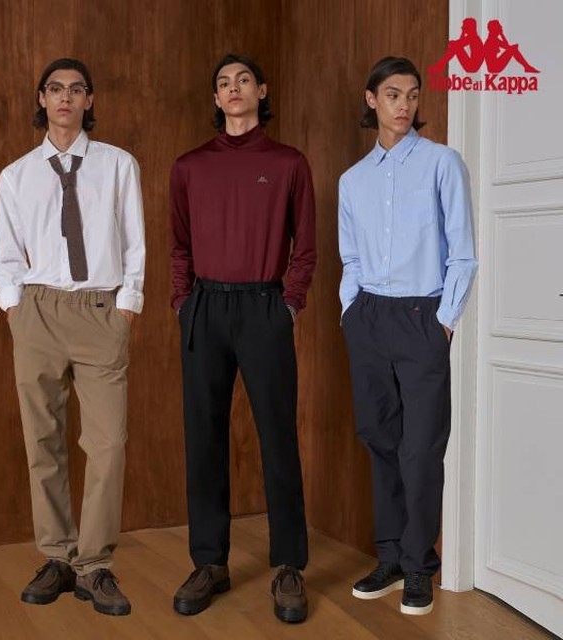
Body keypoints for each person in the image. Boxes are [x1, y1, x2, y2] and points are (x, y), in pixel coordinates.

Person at [0, 58, 145, 616]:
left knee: (107, 443)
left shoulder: (118, 165)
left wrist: (126, 307)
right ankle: (57, 556)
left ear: (89, 101)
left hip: (99, 309)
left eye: (76, 90)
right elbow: (7, 251)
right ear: (42, 99)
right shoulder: (16, 175)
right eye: (55, 89)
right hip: (38, 309)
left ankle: (94, 565)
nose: (65, 98)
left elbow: (134, 241)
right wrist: (15, 307)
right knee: (43, 440)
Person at [169, 53, 316, 624]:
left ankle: (289, 566)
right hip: (204, 307)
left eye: (244, 80)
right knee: (203, 437)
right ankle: (210, 562)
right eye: (224, 83)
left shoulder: (288, 163)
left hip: (264, 307)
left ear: (262, 90)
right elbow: (178, 245)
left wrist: (289, 304)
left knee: (277, 436)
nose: (234, 88)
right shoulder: (189, 167)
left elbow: (305, 246)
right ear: (216, 98)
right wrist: (183, 304)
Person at [338, 56, 477, 616]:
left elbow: (462, 252)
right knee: (379, 438)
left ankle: (420, 565)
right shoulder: (353, 180)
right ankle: (391, 557)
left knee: (421, 447)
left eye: (413, 95)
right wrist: (350, 311)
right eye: (393, 94)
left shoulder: (443, 163)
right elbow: (350, 256)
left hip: (423, 316)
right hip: (369, 316)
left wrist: (444, 320)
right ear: (372, 100)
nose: (404, 105)